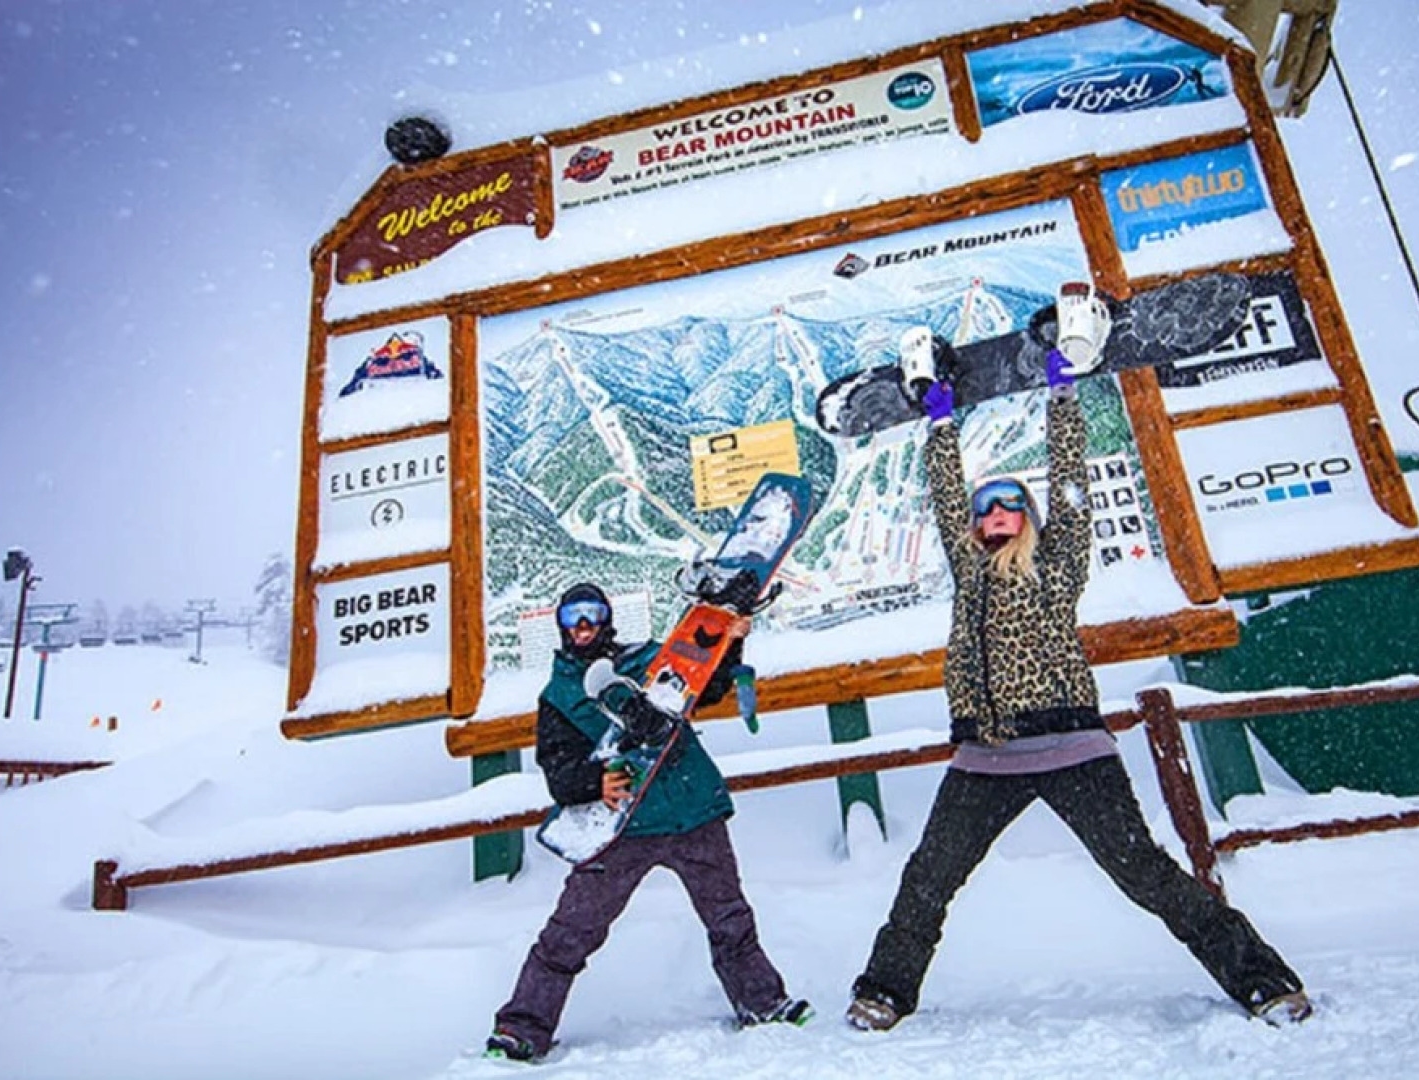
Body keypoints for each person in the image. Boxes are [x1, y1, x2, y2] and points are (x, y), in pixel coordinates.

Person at [846, 291, 1311, 1032]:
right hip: (983, 756)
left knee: (1147, 877)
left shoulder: (1057, 563)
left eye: (1006, 507)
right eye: (983, 509)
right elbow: (941, 498)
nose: (992, 517)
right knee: (926, 881)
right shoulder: (968, 570)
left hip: (1070, 748)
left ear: (1025, 518)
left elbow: (1071, 487)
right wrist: (940, 421)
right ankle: (883, 993)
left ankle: (1261, 981)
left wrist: (1064, 388)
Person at [485, 582, 812, 1062]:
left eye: (591, 614)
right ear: (559, 624)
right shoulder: (559, 696)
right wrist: (595, 781)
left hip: (691, 809)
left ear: (606, 618)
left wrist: (735, 636)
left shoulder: (648, 662)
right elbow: (557, 771)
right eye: (573, 615)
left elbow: (711, 684)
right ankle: (522, 1027)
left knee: (729, 918)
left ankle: (762, 1002)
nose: (582, 625)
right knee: (572, 931)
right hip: (623, 828)